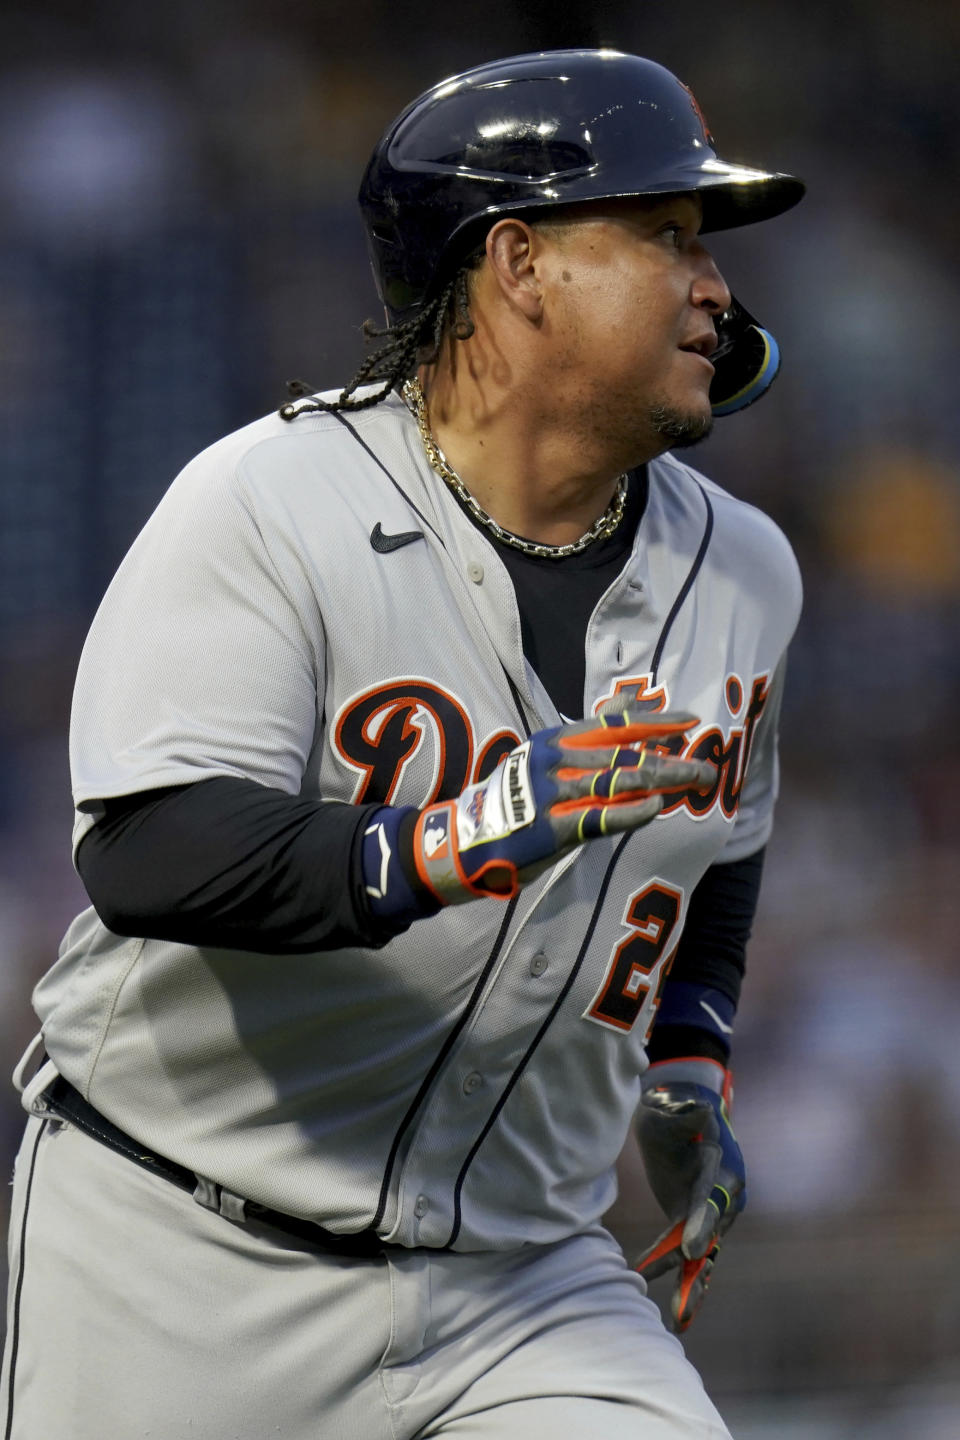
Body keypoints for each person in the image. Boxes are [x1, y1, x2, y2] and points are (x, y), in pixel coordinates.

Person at [1, 49, 804, 1440]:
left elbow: (720, 845)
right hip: (182, 1252)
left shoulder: (746, 571)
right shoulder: (268, 502)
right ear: (520, 263)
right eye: (666, 239)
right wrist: (467, 829)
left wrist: (690, 1056)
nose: (715, 286)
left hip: (527, 1280)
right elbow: (148, 850)